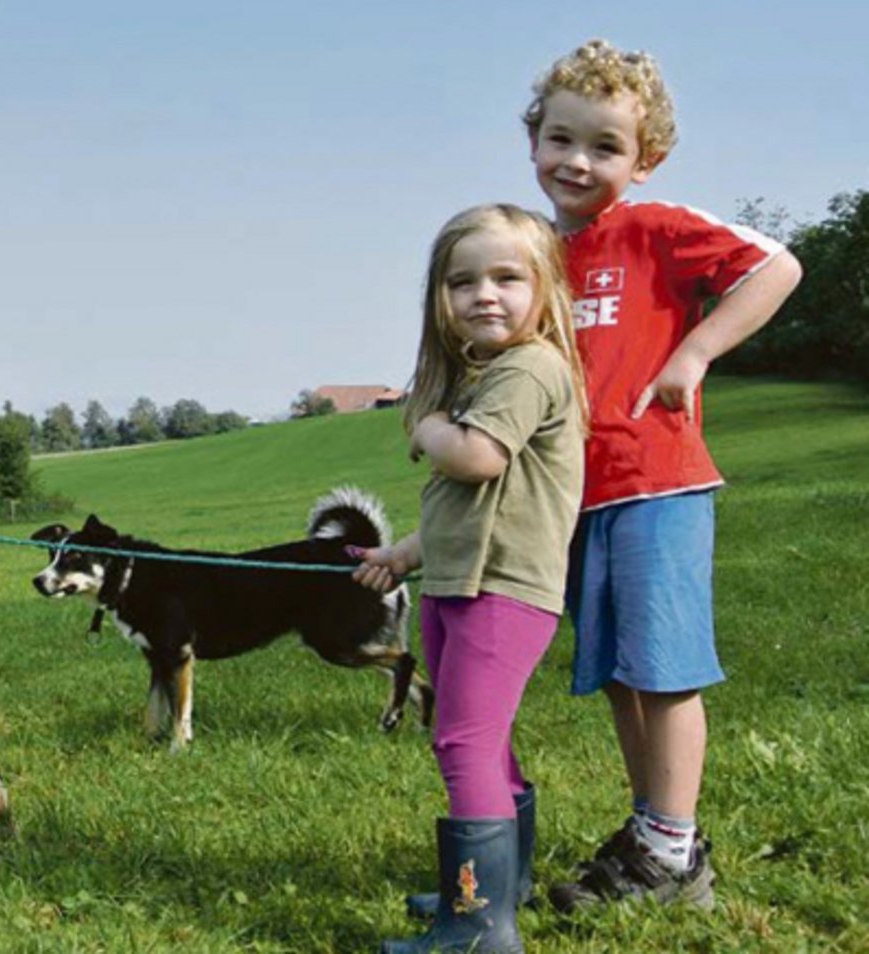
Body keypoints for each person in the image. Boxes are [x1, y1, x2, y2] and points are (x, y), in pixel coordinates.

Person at [522, 39, 803, 912]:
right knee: (617, 670)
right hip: (575, 494)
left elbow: (776, 267)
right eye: (561, 139)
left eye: (605, 147)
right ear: (533, 138)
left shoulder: (653, 228)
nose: (578, 161)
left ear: (645, 162)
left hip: (657, 484)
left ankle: (673, 855)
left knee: (663, 669)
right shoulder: (532, 254)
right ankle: (654, 831)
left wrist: (696, 352)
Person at [354, 203, 585, 953]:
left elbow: (477, 460)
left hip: (504, 593)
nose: (484, 294)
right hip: (461, 583)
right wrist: (403, 555)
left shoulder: (531, 367)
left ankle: (480, 926)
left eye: (507, 277)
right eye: (463, 282)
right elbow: (470, 505)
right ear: (440, 300)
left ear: (546, 289)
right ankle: (500, 889)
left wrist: (424, 423)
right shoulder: (491, 373)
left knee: (461, 744)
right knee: (482, 745)